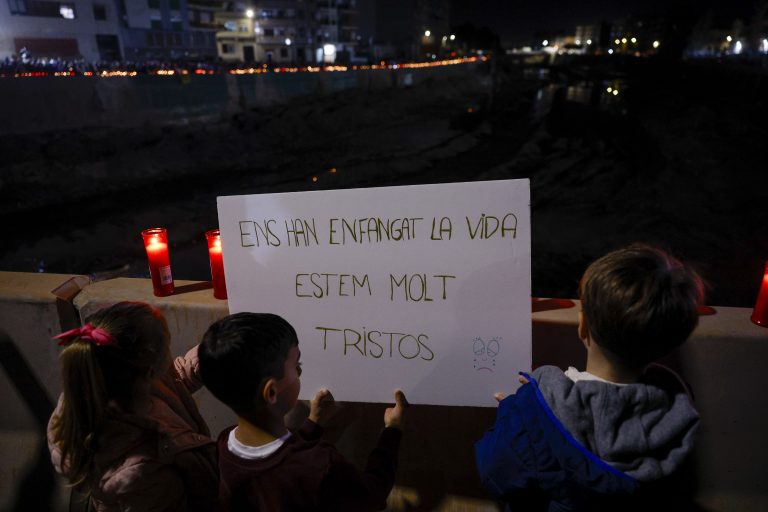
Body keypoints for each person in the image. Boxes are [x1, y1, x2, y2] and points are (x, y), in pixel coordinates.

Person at [475, 245, 704, 511]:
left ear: (583, 326)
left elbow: (495, 474)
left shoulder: (530, 411)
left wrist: (517, 412)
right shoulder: (677, 405)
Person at [198, 312, 405, 512]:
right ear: (271, 392)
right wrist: (391, 431)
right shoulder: (322, 465)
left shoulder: (223, 446)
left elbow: (278, 464)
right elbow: (372, 495)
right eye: (296, 365)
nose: (300, 371)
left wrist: (313, 423)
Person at [47, 301, 218, 512]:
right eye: (167, 347)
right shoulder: (143, 472)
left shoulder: (101, 385)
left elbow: (172, 381)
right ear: (150, 371)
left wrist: (211, 351)